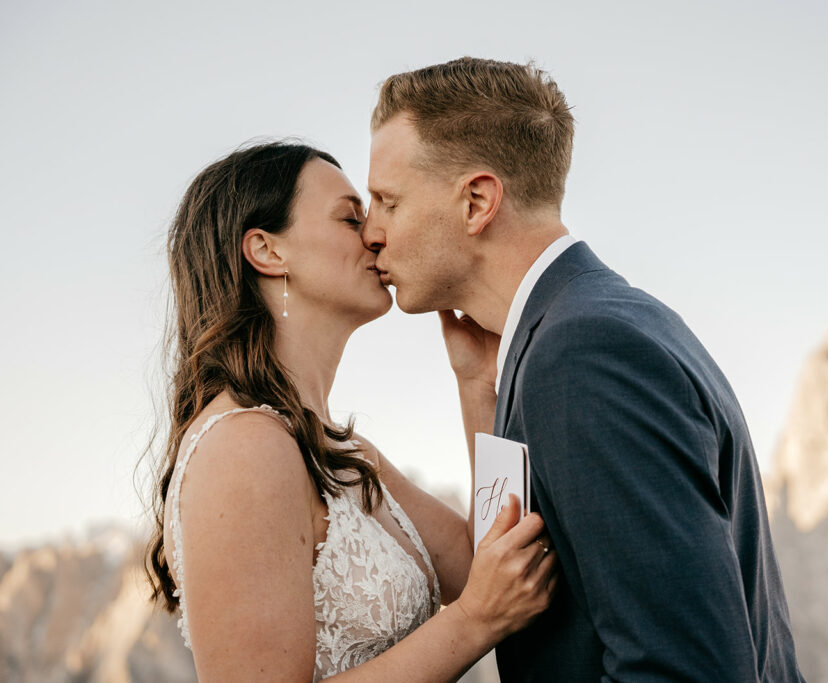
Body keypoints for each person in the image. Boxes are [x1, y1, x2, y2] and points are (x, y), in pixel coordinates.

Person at [364, 57, 806, 681]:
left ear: (477, 202)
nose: (371, 231)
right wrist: (480, 392)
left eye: (387, 200)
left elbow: (683, 668)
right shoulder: (587, 324)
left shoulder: (583, 352)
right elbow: (531, 563)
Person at [142, 141, 557, 681]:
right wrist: (472, 623)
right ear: (268, 251)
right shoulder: (241, 446)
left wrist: (476, 386)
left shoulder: (346, 452)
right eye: (350, 217)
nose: (376, 235)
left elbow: (498, 560)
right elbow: (482, 602)